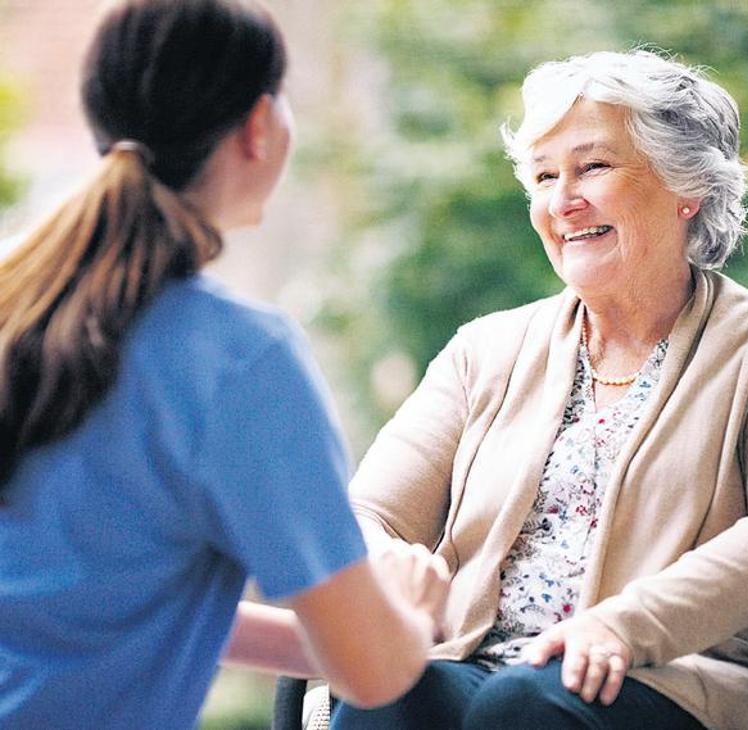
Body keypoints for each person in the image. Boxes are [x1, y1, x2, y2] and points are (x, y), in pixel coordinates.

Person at [0, 1, 449, 728]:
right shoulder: (239, 362)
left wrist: (339, 633)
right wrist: (411, 617)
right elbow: (376, 674)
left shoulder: (21, 304)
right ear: (260, 127)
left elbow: (98, 601)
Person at [331, 49, 748, 730]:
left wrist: (624, 627)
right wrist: (387, 562)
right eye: (543, 176)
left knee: (524, 704)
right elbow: (367, 514)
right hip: (475, 664)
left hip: (674, 676)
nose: (561, 201)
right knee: (387, 692)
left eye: (592, 167)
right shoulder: (485, 348)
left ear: (689, 187)